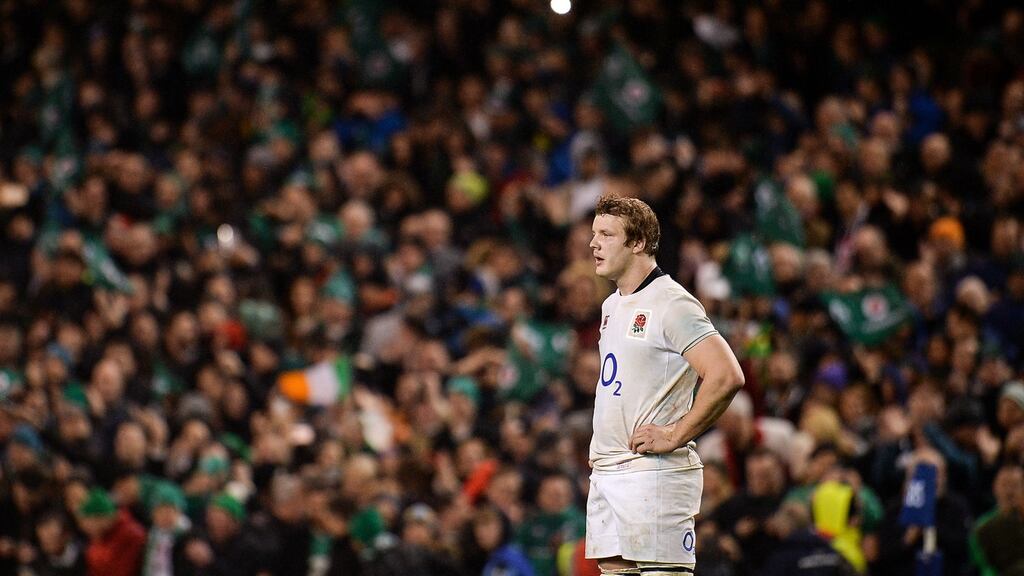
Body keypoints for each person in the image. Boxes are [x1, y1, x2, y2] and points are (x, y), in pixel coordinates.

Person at [585, 194, 745, 575]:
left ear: (637, 242)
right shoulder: (612, 305)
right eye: (594, 234)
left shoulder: (672, 302)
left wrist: (675, 433)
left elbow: (725, 375)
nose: (593, 243)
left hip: (653, 474)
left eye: (606, 234)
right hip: (609, 472)